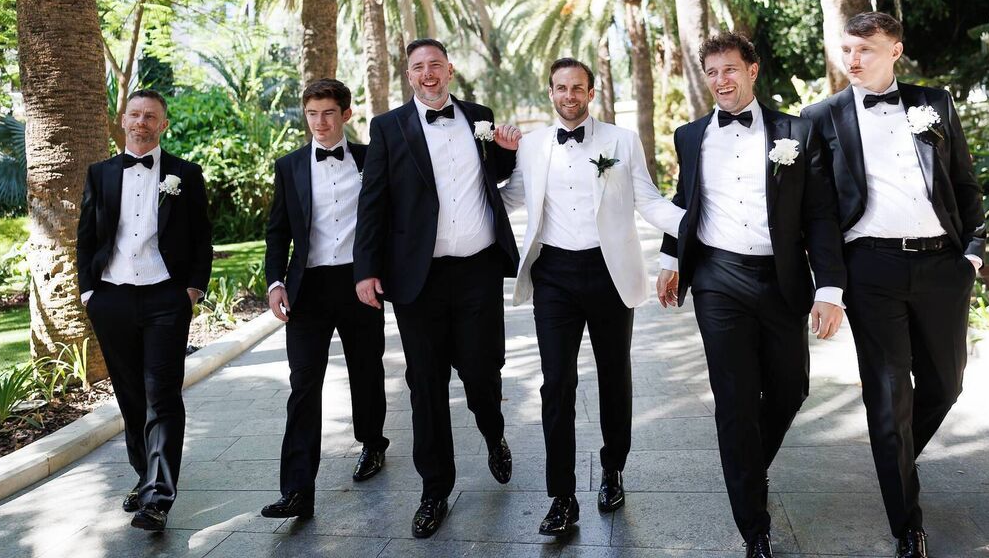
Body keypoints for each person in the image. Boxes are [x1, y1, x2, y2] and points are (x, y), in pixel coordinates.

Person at [801, 11, 985, 558]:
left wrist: (972, 255)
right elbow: (820, 215)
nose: (853, 60)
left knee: (945, 385)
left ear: (895, 50)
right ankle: (907, 524)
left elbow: (964, 183)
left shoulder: (937, 104)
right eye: (847, 50)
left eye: (866, 50)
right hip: (871, 272)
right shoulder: (822, 117)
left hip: (942, 269)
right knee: (888, 398)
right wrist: (829, 287)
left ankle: (894, 456)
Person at [657, 33, 846, 558]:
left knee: (791, 388)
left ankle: (744, 465)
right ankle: (754, 528)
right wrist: (670, 259)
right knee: (736, 402)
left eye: (730, 70)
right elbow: (684, 200)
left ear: (753, 70)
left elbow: (820, 216)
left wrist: (829, 288)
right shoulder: (690, 136)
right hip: (718, 278)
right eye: (711, 72)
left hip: (781, 278)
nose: (721, 81)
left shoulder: (797, 132)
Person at [500, 58, 685, 536]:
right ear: (550, 91)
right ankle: (561, 497)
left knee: (614, 377)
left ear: (591, 91)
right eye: (560, 88)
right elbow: (508, 198)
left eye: (577, 88)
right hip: (554, 276)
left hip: (608, 274)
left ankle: (612, 469)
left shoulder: (621, 141)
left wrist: (697, 228)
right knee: (555, 385)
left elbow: (646, 198)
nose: (568, 96)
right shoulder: (535, 144)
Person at [353, 38, 522, 538]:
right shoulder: (387, 128)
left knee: (482, 372)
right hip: (417, 278)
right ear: (409, 76)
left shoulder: (480, 116)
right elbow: (374, 202)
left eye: (435, 65)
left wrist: (508, 156)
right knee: (424, 383)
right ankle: (434, 490)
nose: (428, 74)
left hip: (478, 270)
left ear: (450, 69)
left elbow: (495, 179)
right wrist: (366, 268)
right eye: (417, 68)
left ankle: (494, 434)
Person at [76, 89, 213, 532]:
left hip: (164, 298)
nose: (141, 122)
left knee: (163, 395)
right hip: (112, 298)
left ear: (163, 125)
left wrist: (190, 290)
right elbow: (85, 237)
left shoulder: (184, 175)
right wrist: (88, 293)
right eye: (135, 114)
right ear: (123, 120)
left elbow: (201, 240)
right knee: (130, 394)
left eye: (150, 116)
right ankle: (144, 474)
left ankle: (157, 496)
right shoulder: (99, 174)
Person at [259, 79, 389, 521]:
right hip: (308, 289)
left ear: (346, 115)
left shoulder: (373, 159)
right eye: (312, 114)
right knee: (303, 384)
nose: (320, 122)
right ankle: (297, 490)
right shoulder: (290, 165)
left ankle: (373, 443)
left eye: (329, 113)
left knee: (367, 370)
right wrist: (276, 282)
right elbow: (277, 232)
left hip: (360, 284)